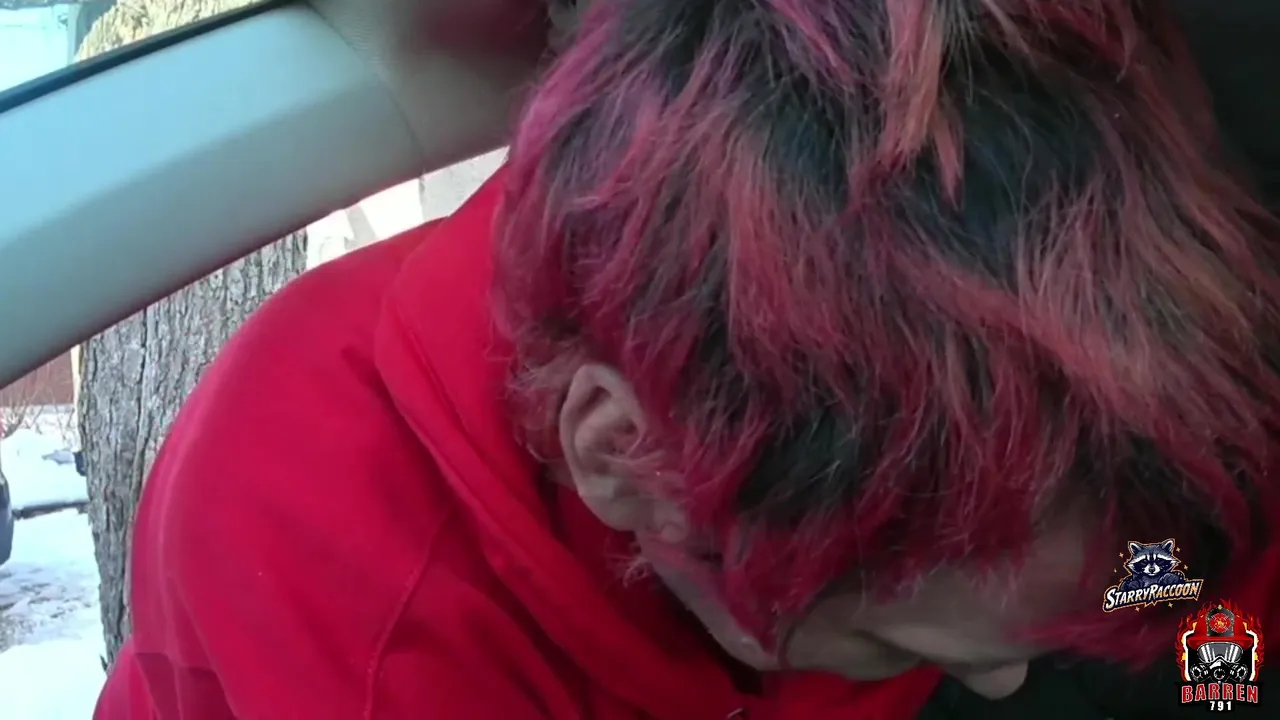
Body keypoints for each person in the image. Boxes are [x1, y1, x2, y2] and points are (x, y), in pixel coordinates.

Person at [95, 0, 1280, 718]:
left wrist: (1206, 675)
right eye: (883, 641)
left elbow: (1182, 587)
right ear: (628, 462)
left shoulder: (1086, 507)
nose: (1001, 679)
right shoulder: (360, 597)